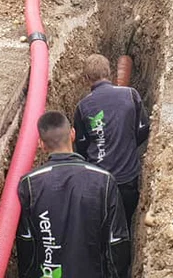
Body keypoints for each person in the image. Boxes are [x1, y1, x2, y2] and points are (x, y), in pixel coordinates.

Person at [15, 110, 132, 278]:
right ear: (73, 134)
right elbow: (116, 241)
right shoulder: (104, 180)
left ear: (41, 144)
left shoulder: (29, 184)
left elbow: (27, 243)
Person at [73, 53, 150, 228]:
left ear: (86, 79)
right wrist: (128, 145)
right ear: (110, 73)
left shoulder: (83, 107)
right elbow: (143, 129)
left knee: (100, 228)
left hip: (98, 182)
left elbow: (81, 146)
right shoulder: (131, 94)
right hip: (127, 179)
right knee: (124, 225)